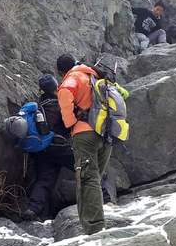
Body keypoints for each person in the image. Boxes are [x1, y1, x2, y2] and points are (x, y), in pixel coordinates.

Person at [20, 74, 113, 221]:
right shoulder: (60, 103)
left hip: (42, 149)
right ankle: (106, 202)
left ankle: (33, 209)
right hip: (60, 147)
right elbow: (71, 122)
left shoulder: (39, 106)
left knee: (44, 180)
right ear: (56, 87)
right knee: (87, 170)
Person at [56, 54, 111, 235]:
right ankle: (95, 223)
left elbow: (65, 91)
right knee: (95, 178)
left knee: (88, 179)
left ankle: (94, 227)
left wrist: (70, 123)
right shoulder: (94, 75)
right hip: (106, 133)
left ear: (61, 71)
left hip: (85, 134)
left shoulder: (73, 77)